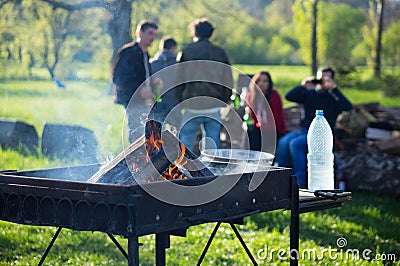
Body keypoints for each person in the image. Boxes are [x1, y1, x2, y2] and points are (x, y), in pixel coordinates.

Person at [274, 66, 352, 188]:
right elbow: (290, 96)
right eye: (320, 78)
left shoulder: (333, 97)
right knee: (284, 141)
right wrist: (303, 85)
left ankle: (300, 183)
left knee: (295, 144)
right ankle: (278, 177)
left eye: (327, 79)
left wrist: (334, 89)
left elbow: (348, 107)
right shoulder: (311, 94)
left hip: (322, 135)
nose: (323, 82)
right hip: (305, 130)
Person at [176, 18, 233, 153]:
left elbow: (178, 80)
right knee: (212, 148)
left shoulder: (187, 51)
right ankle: (212, 173)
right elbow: (228, 80)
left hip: (192, 105)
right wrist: (223, 100)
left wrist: (181, 100)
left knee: (185, 146)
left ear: (194, 33)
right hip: (213, 105)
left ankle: (183, 172)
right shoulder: (220, 52)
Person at [111, 20, 158, 143]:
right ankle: (134, 160)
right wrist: (139, 91)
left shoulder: (145, 53)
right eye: (150, 33)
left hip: (145, 101)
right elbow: (118, 78)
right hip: (132, 99)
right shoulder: (128, 52)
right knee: (136, 133)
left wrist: (153, 83)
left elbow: (142, 76)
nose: (152, 37)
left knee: (146, 134)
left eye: (154, 34)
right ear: (140, 33)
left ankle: (143, 159)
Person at [246, 71, 287, 153]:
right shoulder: (251, 96)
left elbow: (278, 116)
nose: (262, 83)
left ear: (269, 83)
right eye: (259, 81)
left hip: (273, 129)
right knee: (250, 134)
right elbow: (253, 116)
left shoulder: (274, 95)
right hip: (259, 128)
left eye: (265, 81)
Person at [149, 36, 180, 126]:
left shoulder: (152, 63)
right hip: (174, 101)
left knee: (157, 131)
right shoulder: (178, 64)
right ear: (173, 47)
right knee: (176, 130)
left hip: (157, 100)